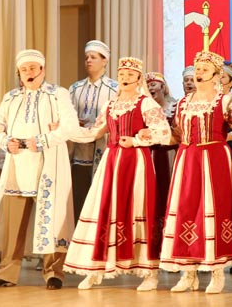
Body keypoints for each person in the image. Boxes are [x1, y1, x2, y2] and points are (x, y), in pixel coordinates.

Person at [0, 49, 97, 290]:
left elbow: (69, 126)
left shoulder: (57, 94)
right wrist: (5, 142)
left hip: (48, 160)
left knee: (53, 217)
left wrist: (43, 141)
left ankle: (54, 272)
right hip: (18, 162)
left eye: (33, 68)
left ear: (42, 70)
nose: (28, 73)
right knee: (13, 220)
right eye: (24, 69)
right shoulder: (11, 97)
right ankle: (7, 272)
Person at [64, 57, 172, 291]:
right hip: (111, 161)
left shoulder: (146, 104)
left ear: (138, 78)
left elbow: (163, 133)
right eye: (122, 74)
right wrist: (65, 130)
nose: (125, 78)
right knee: (104, 208)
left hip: (136, 162)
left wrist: (135, 140)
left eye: (130, 75)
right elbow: (94, 132)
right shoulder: (110, 104)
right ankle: (96, 267)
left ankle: (149, 272)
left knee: (138, 208)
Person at [160, 51, 232, 293]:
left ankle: (217, 271)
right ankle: (188, 272)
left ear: (216, 75)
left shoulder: (224, 101)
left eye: (204, 70)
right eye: (197, 69)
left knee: (213, 208)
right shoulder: (183, 103)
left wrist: (222, 139)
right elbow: (177, 134)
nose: (199, 73)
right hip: (187, 158)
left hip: (214, 158)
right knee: (186, 208)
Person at [69, 40, 118, 223]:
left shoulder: (115, 89)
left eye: (93, 57)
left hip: (103, 150)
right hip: (80, 152)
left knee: (101, 197)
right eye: (87, 57)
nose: (89, 60)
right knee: (79, 196)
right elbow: (67, 114)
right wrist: (74, 122)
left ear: (105, 61)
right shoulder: (75, 88)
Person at [145, 71, 178, 260]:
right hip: (151, 157)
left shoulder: (174, 108)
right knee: (154, 199)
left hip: (170, 157)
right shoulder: (145, 109)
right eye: (147, 85)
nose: (150, 88)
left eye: (154, 84)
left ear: (163, 87)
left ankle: (172, 244)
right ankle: (154, 245)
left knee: (171, 197)